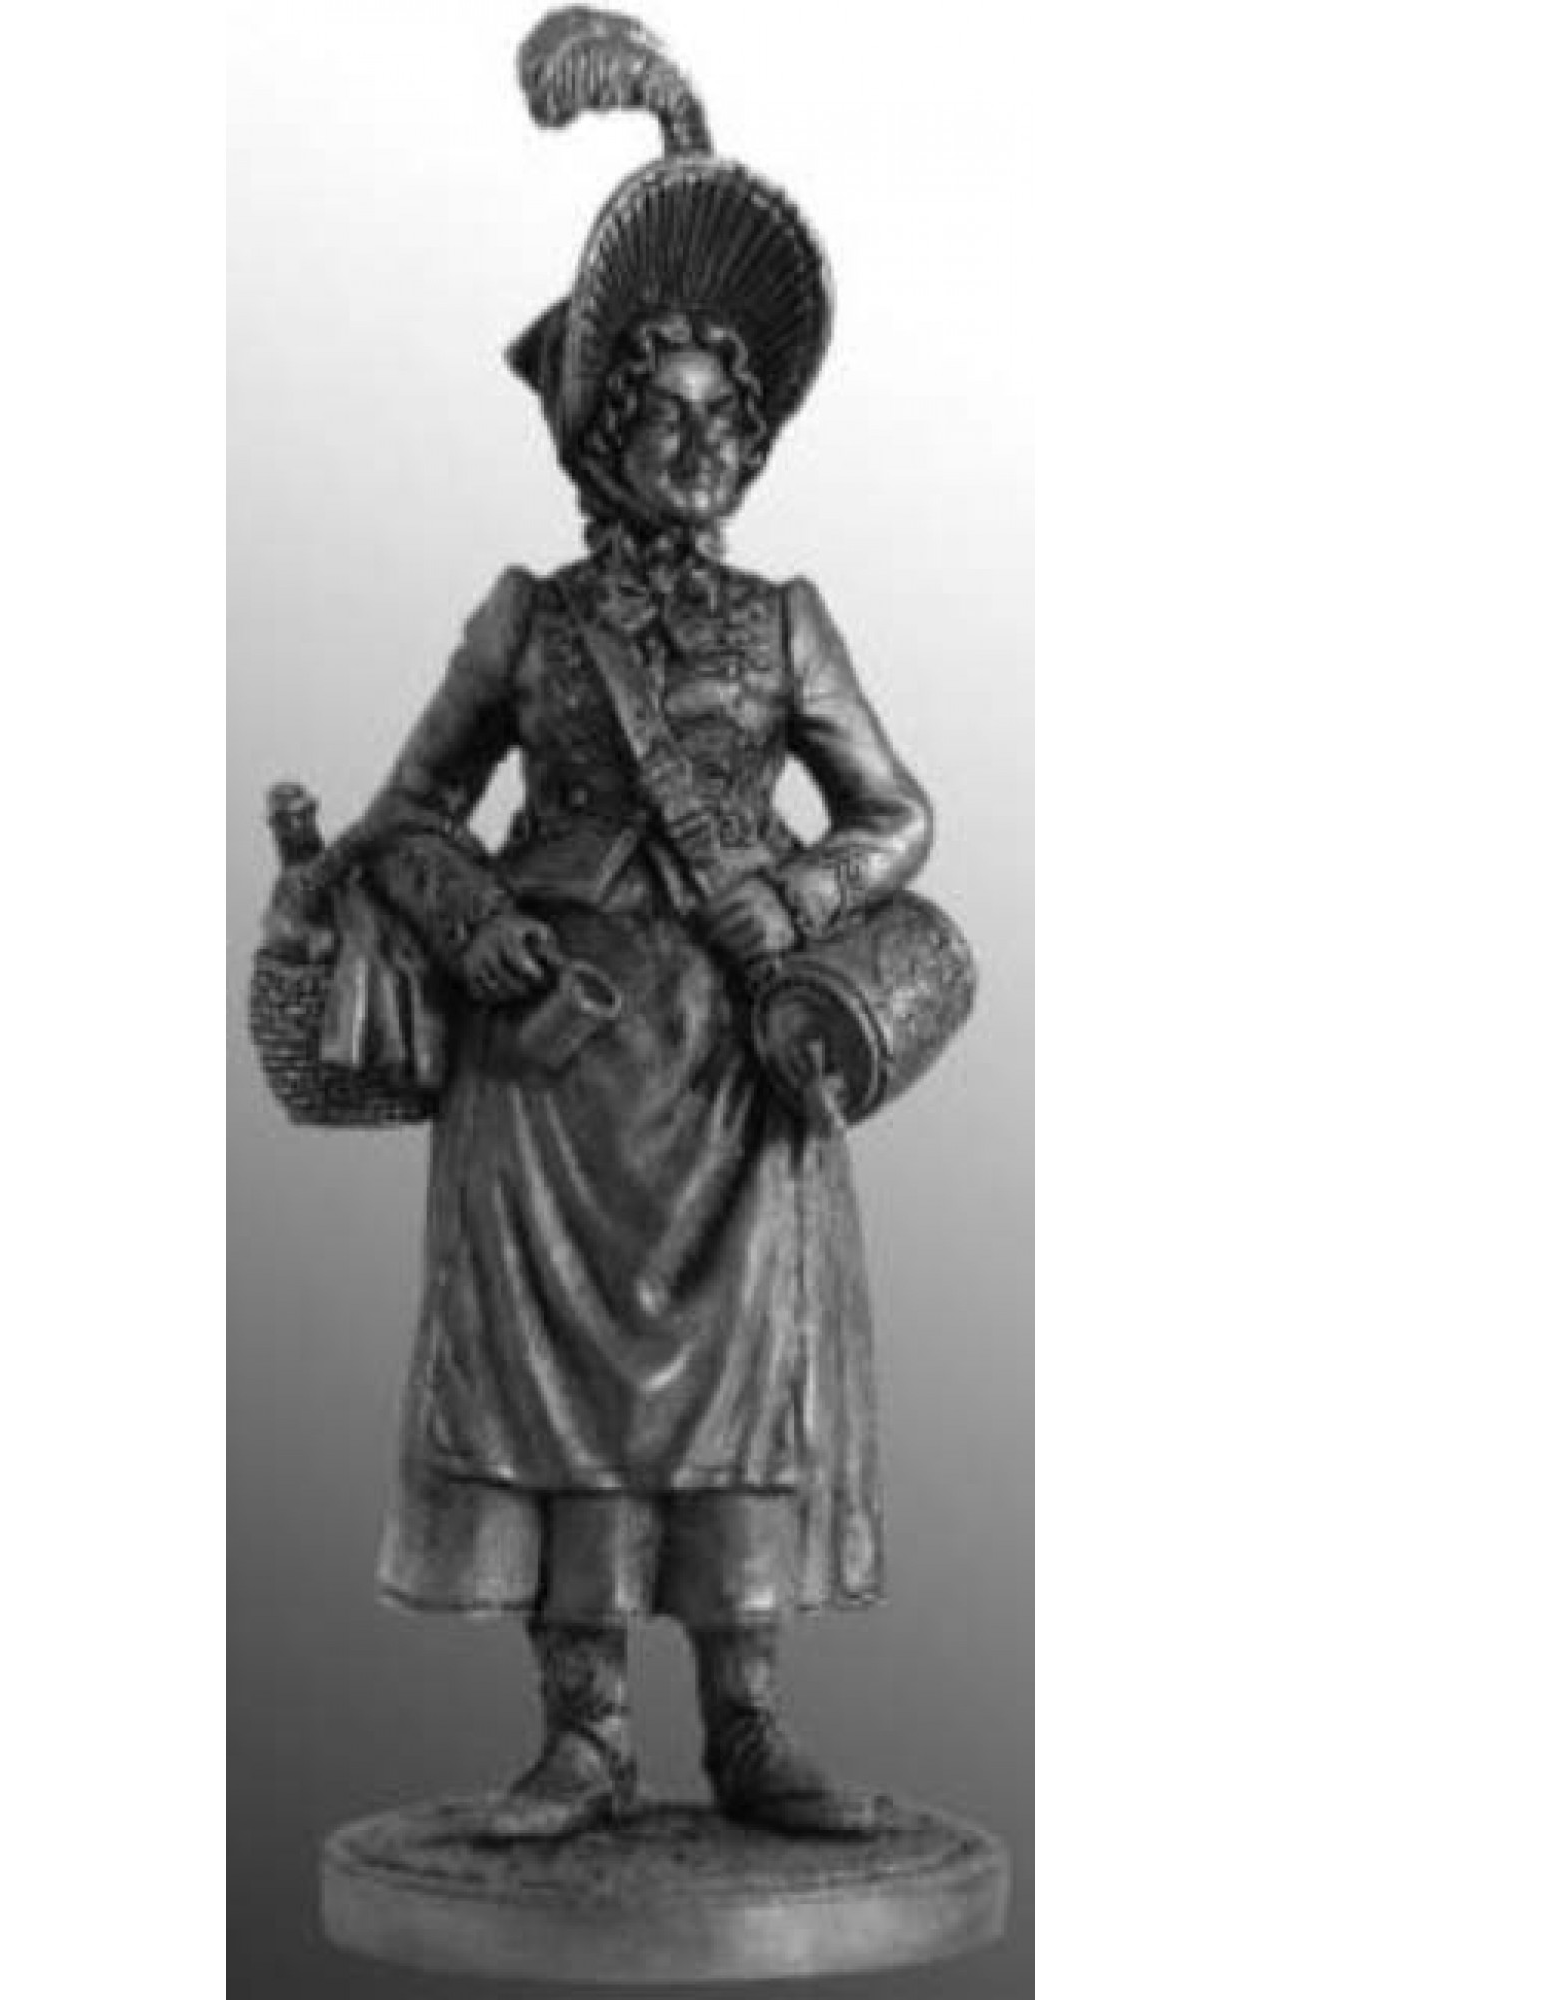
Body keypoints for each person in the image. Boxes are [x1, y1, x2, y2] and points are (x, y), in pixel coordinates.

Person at [329, 11, 935, 1843]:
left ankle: (748, 1721)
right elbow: (400, 818)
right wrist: (471, 923)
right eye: (663, 413)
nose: (699, 442)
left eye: (724, 418)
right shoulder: (528, 621)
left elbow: (897, 815)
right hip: (555, 1063)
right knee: (564, 1394)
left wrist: (801, 902)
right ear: (605, 432)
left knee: (745, 1383)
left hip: (738, 1060)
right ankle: (584, 1732)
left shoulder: (787, 622)